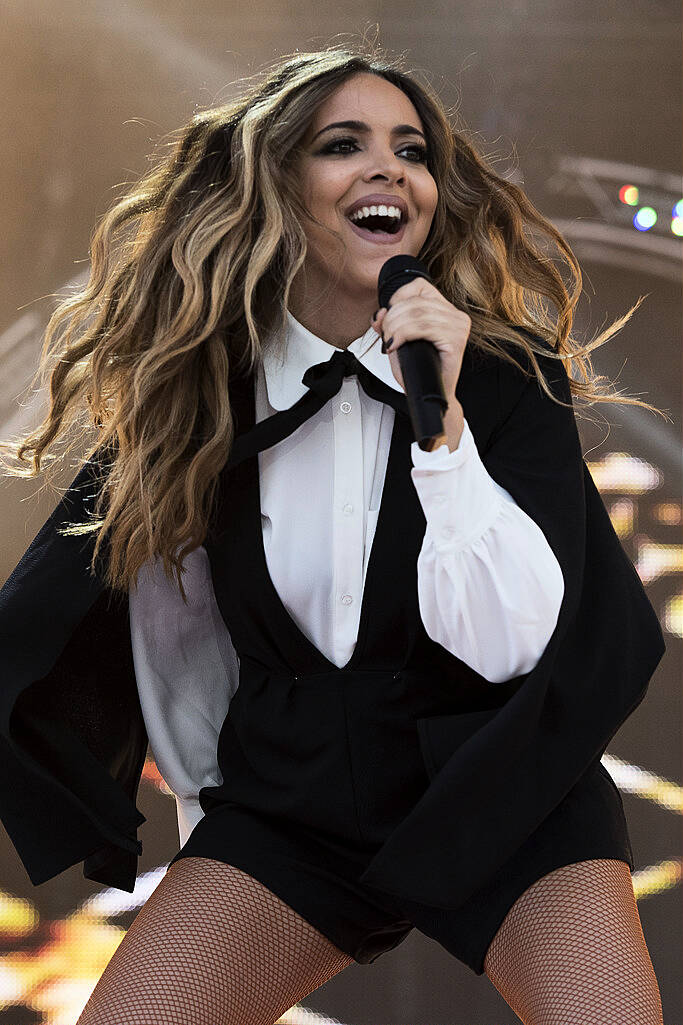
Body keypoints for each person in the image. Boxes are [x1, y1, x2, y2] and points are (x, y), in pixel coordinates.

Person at [0, 45, 668, 1025]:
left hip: (499, 779)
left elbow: (508, 643)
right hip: (296, 797)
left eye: (410, 149)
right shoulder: (204, 395)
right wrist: (210, 829)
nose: (389, 167)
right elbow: (176, 639)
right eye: (342, 144)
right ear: (275, 183)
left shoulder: (500, 379)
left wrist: (438, 424)